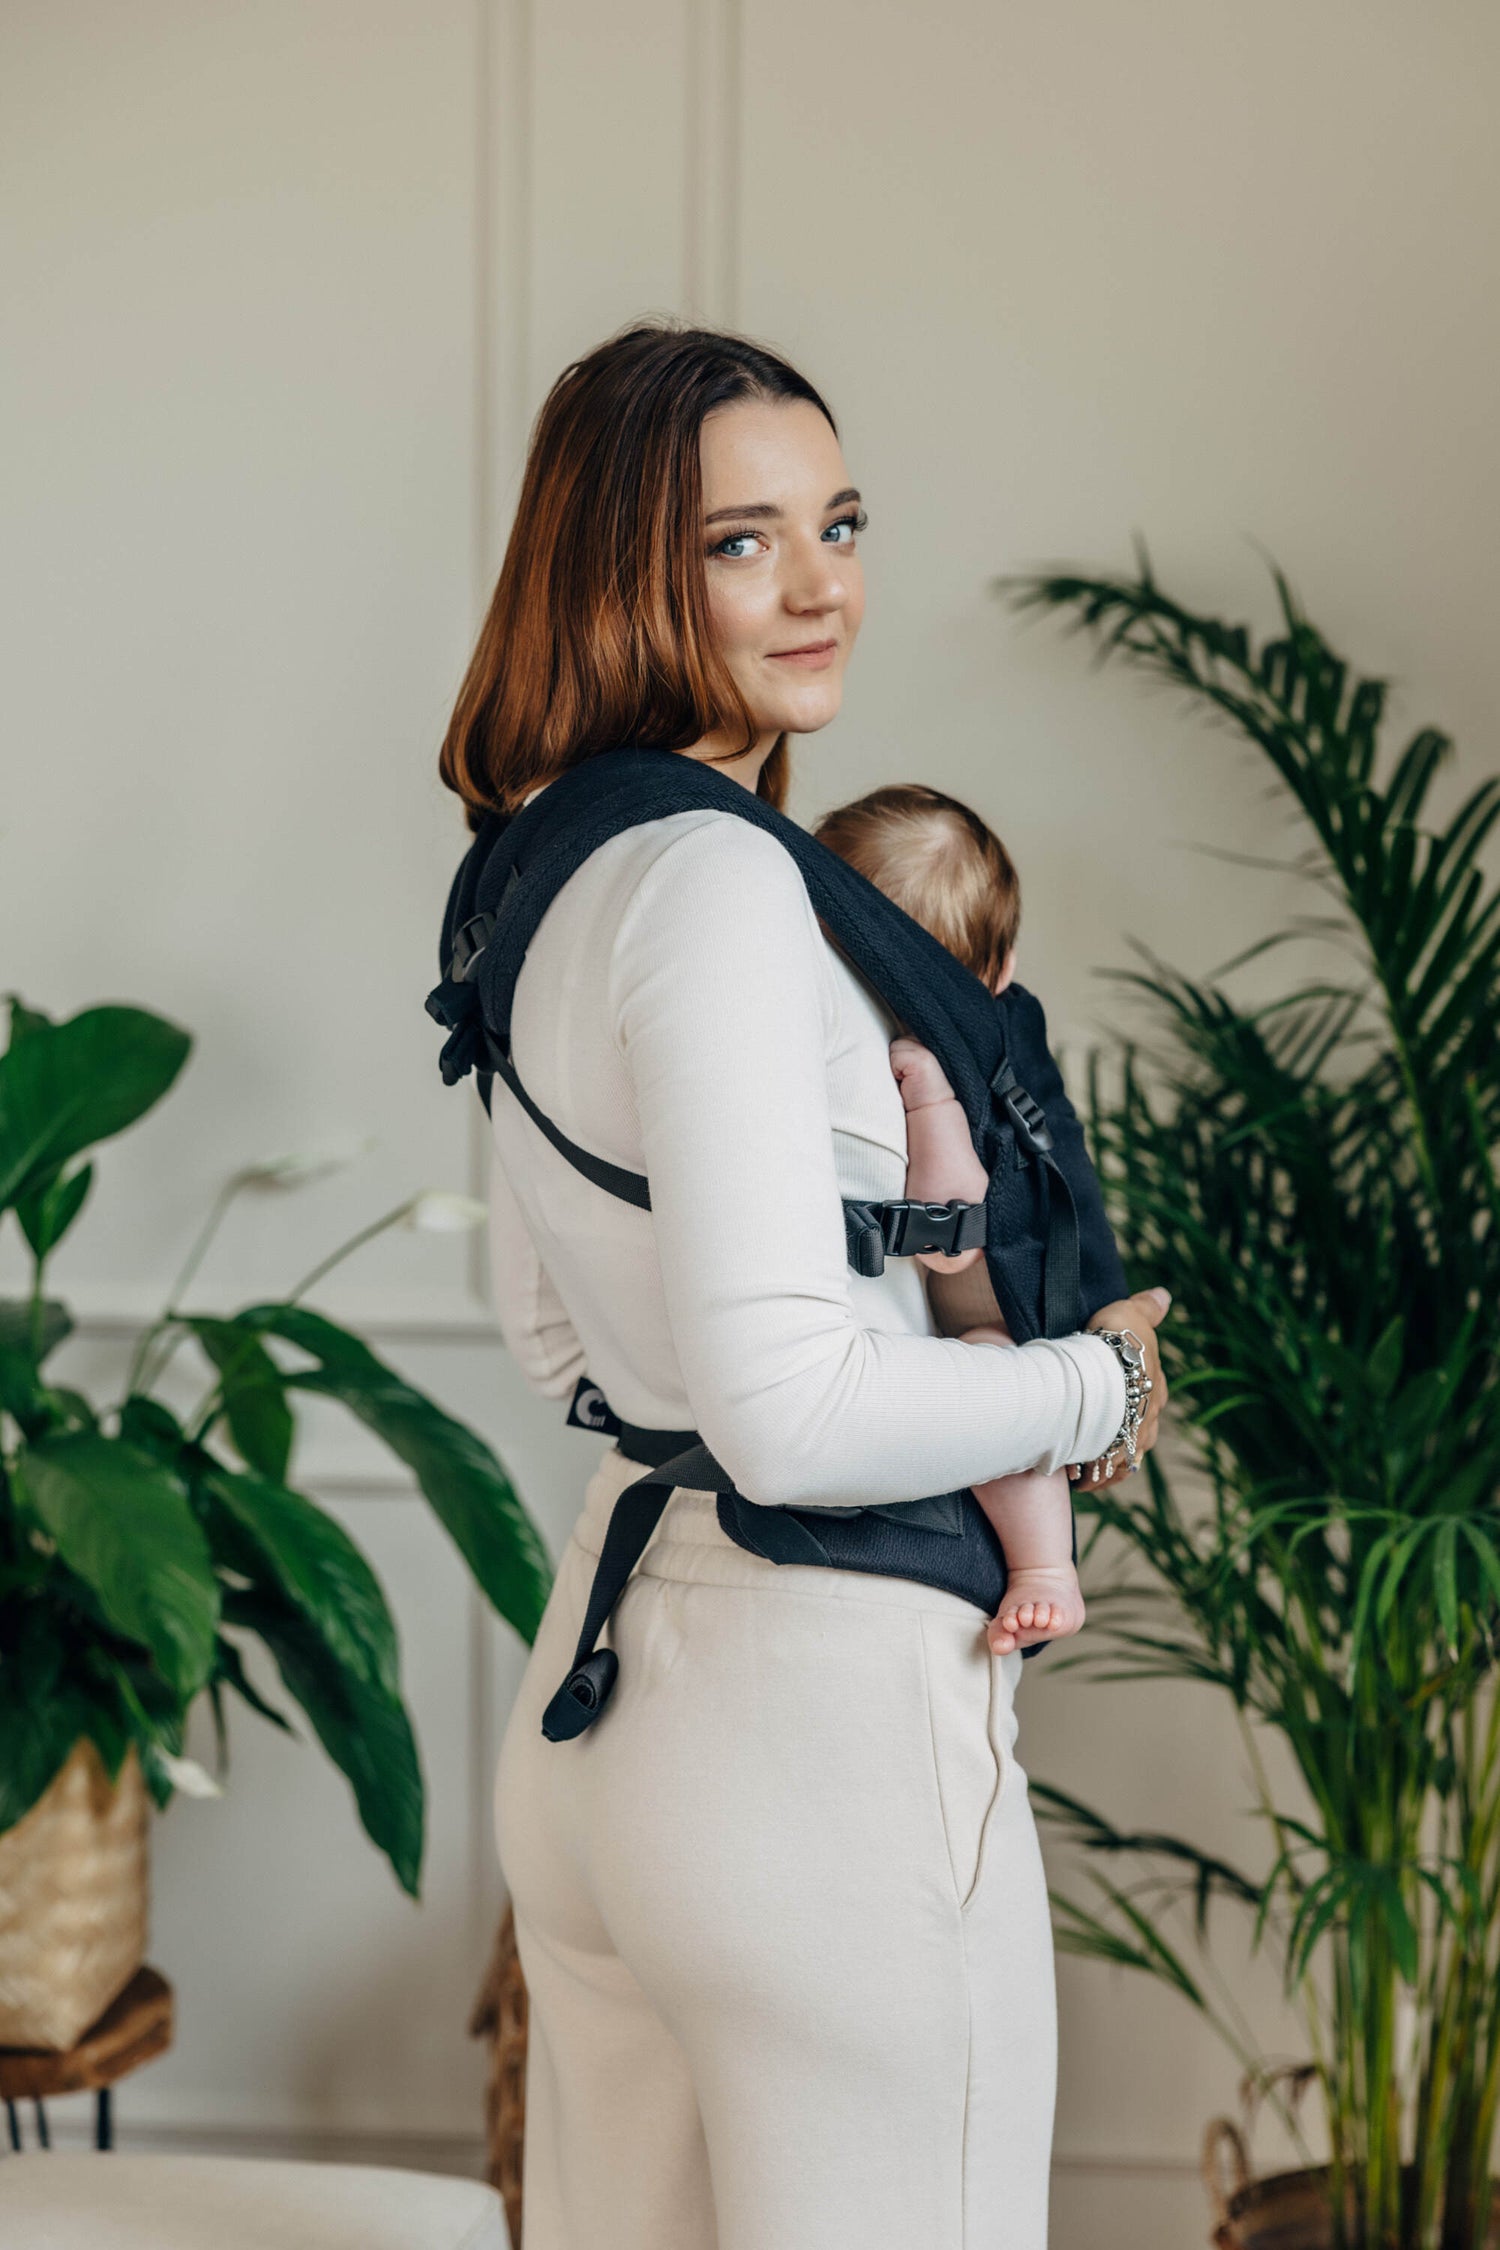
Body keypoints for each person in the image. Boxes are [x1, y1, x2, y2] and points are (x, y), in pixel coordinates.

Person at [439, 319, 1171, 2250]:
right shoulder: (726, 881)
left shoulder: (536, 872)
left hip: (608, 1722)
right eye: (740, 542)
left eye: (838, 523)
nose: (822, 582)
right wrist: (1099, 1387)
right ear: (622, 570)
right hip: (816, 1745)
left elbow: (552, 1334)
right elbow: (793, 1413)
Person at [814, 784, 1087, 1660]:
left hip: (997, 1310)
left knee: (997, 1392)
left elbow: (951, 1232)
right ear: (999, 969)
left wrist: (929, 1101)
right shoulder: (920, 1032)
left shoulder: (937, 1062)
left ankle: (1046, 1569)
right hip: (942, 1322)